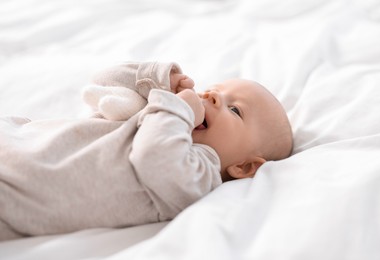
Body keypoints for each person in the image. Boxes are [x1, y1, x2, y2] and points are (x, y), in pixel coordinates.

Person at [0, 61, 293, 241]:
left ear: (244, 167)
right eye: (214, 89)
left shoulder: (198, 171)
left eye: (235, 109)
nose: (212, 96)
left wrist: (175, 107)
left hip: (15, 191)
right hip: (17, 137)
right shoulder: (160, 117)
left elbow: (154, 158)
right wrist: (158, 79)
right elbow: (101, 81)